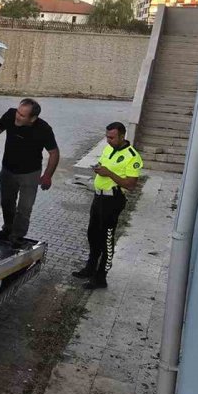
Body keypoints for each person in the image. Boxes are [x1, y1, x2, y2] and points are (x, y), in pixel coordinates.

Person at [73, 121, 143, 289]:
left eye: (111, 137)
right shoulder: (108, 149)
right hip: (99, 197)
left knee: (107, 239)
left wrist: (109, 173)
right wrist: (99, 169)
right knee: (93, 234)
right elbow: (105, 167)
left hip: (113, 200)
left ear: (122, 136)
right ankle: (90, 267)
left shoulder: (132, 156)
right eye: (107, 136)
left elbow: (131, 185)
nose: (108, 140)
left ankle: (101, 277)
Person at [0, 98, 59, 247]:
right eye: (18, 112)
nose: (17, 116)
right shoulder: (10, 115)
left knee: (24, 208)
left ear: (32, 118)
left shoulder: (43, 129)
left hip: (30, 174)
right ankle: (7, 229)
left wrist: (47, 176)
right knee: (7, 203)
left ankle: (17, 235)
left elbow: (54, 153)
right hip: (8, 170)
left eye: (22, 115)